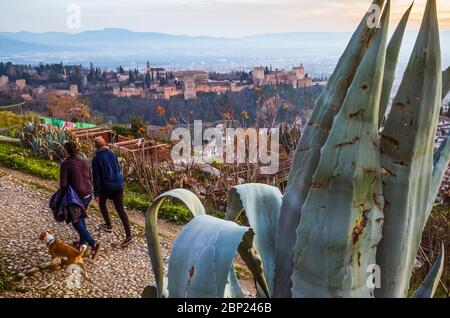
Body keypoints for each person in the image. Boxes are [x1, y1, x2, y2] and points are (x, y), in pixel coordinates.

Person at [60, 141, 100, 258]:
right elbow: (90, 177)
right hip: (88, 194)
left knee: (76, 221)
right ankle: (82, 243)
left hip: (76, 197)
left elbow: (63, 184)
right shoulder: (84, 162)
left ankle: (93, 243)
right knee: (81, 217)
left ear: (67, 151)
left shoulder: (66, 164)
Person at [92, 137, 133, 247]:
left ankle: (108, 225)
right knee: (120, 210)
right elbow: (118, 168)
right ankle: (129, 236)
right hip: (118, 185)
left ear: (95, 146)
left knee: (102, 203)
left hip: (107, 186)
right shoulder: (112, 154)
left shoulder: (96, 159)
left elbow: (96, 178)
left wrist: (96, 193)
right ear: (105, 144)